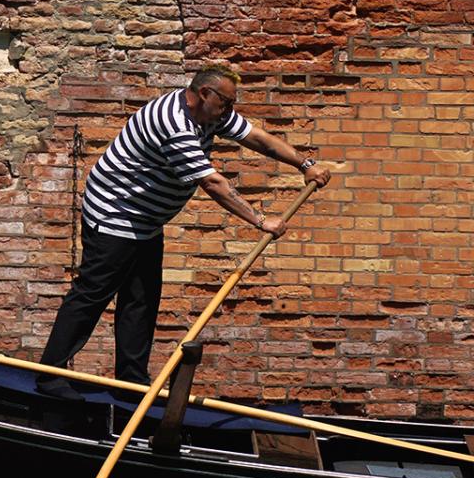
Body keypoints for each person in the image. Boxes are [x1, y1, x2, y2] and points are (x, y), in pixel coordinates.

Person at [37, 64, 332, 396]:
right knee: (93, 293)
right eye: (227, 103)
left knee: (142, 298)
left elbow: (256, 138)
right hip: (114, 212)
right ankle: (50, 375)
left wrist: (304, 165)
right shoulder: (173, 124)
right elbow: (211, 182)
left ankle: (131, 383)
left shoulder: (211, 114)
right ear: (204, 94)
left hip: (145, 219)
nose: (230, 111)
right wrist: (261, 222)